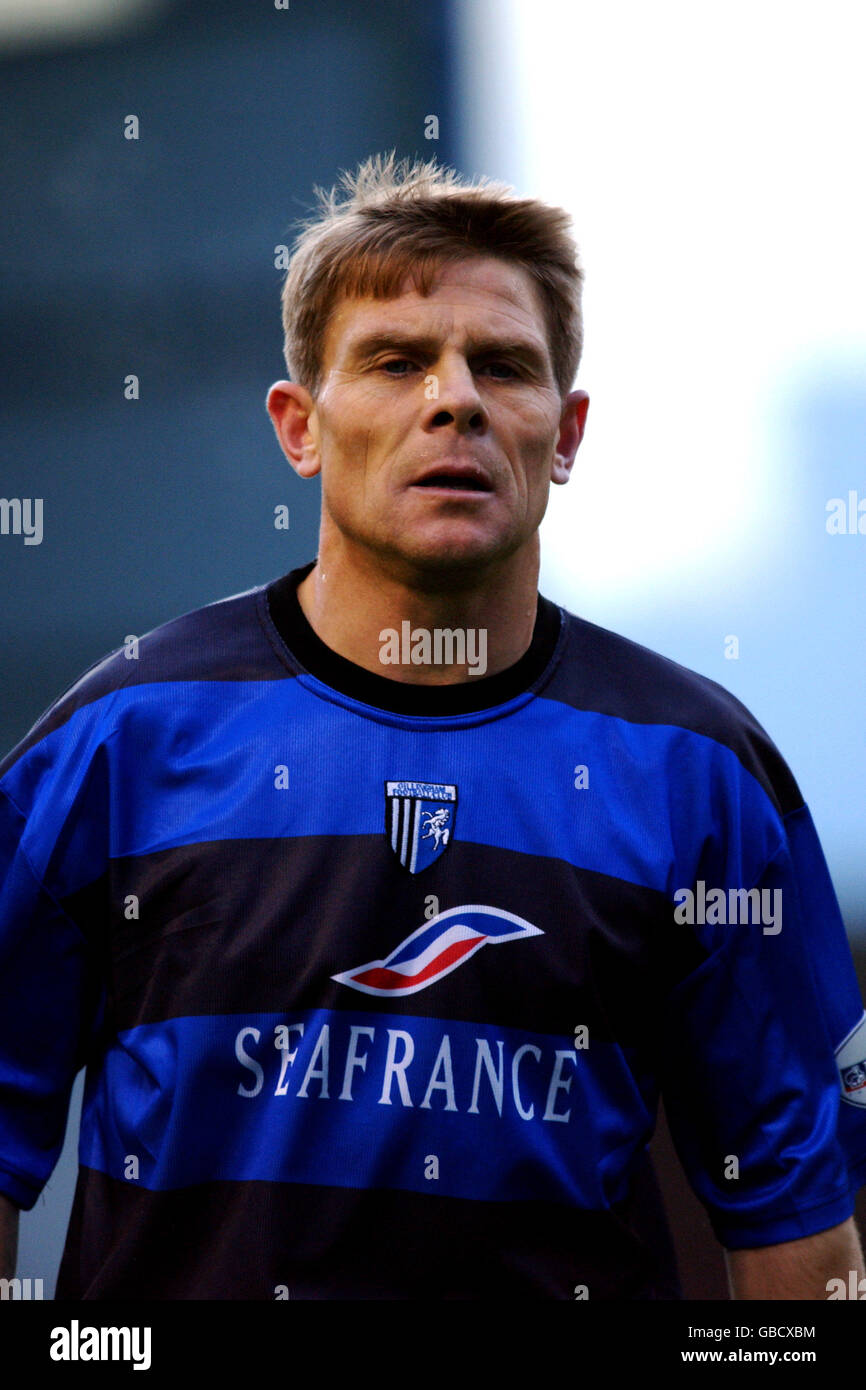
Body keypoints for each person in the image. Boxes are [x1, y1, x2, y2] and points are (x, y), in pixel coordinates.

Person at [1, 153, 865, 1301]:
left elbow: (798, 1236)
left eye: (501, 366)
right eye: (397, 360)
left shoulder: (695, 772)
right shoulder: (118, 742)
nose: (451, 397)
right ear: (299, 426)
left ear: (564, 434)